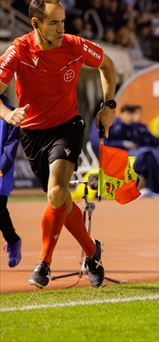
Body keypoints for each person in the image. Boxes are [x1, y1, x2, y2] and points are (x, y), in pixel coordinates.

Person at [0, 0, 116, 288]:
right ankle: (92, 252)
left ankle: (43, 264)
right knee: (60, 199)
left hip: (67, 127)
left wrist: (108, 105)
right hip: (31, 133)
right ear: (36, 24)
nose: (62, 28)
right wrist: (7, 114)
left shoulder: (75, 45)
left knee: (56, 191)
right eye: (54, 22)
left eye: (63, 21)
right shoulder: (19, 49)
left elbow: (107, 64)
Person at [0, 94, 21, 268]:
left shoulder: (12, 113)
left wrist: (3, 165)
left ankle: (13, 241)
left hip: (1, 169)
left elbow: (11, 143)